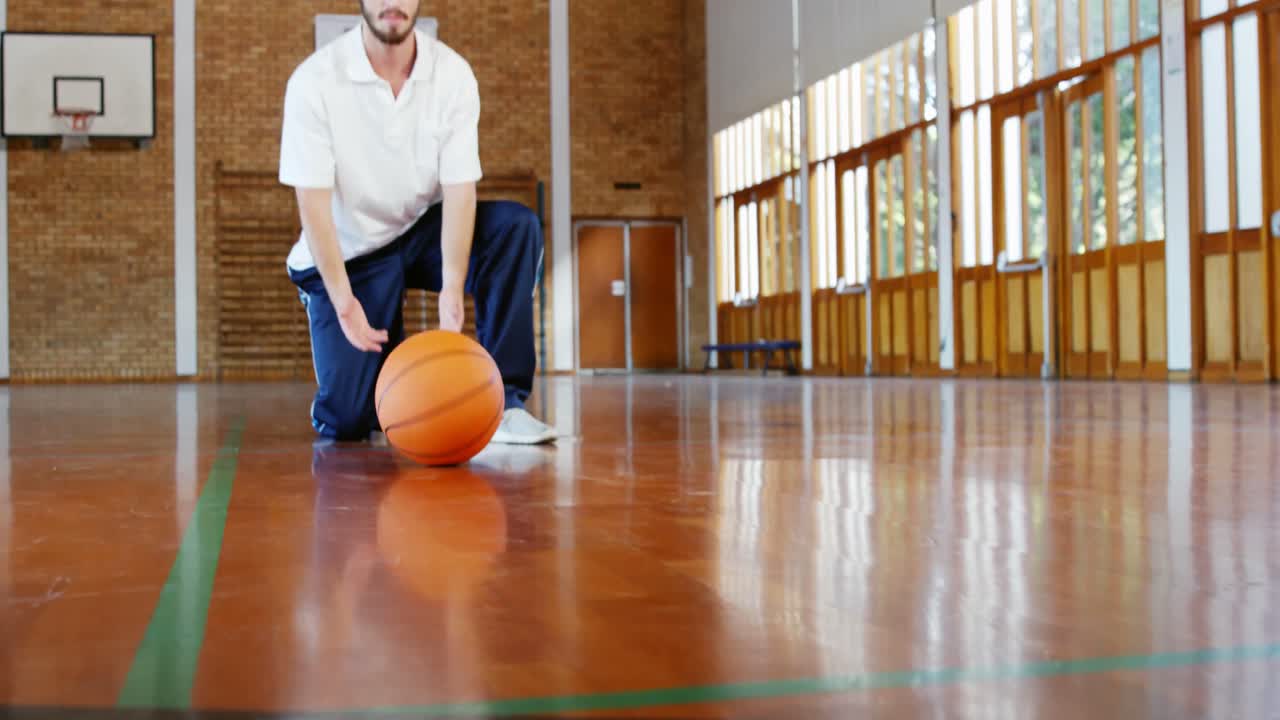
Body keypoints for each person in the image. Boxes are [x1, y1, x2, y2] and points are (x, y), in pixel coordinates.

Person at [279, 0, 556, 445]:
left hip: (416, 229)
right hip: (350, 254)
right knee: (352, 420)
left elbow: (460, 188)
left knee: (514, 228)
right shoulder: (315, 81)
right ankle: (353, 363)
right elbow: (313, 206)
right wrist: (345, 304)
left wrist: (452, 286)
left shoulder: (452, 74)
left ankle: (505, 403)